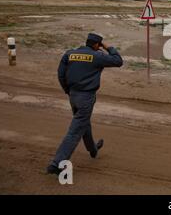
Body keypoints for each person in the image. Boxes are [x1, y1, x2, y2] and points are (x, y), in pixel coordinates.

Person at [47, 33, 123, 175]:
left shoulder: (70, 54)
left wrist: (68, 91)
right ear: (96, 45)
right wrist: (107, 46)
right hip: (86, 97)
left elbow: (60, 74)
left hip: (73, 95)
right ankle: (57, 163)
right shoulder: (97, 56)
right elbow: (118, 61)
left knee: (83, 123)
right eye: (99, 45)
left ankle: (93, 149)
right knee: (75, 131)